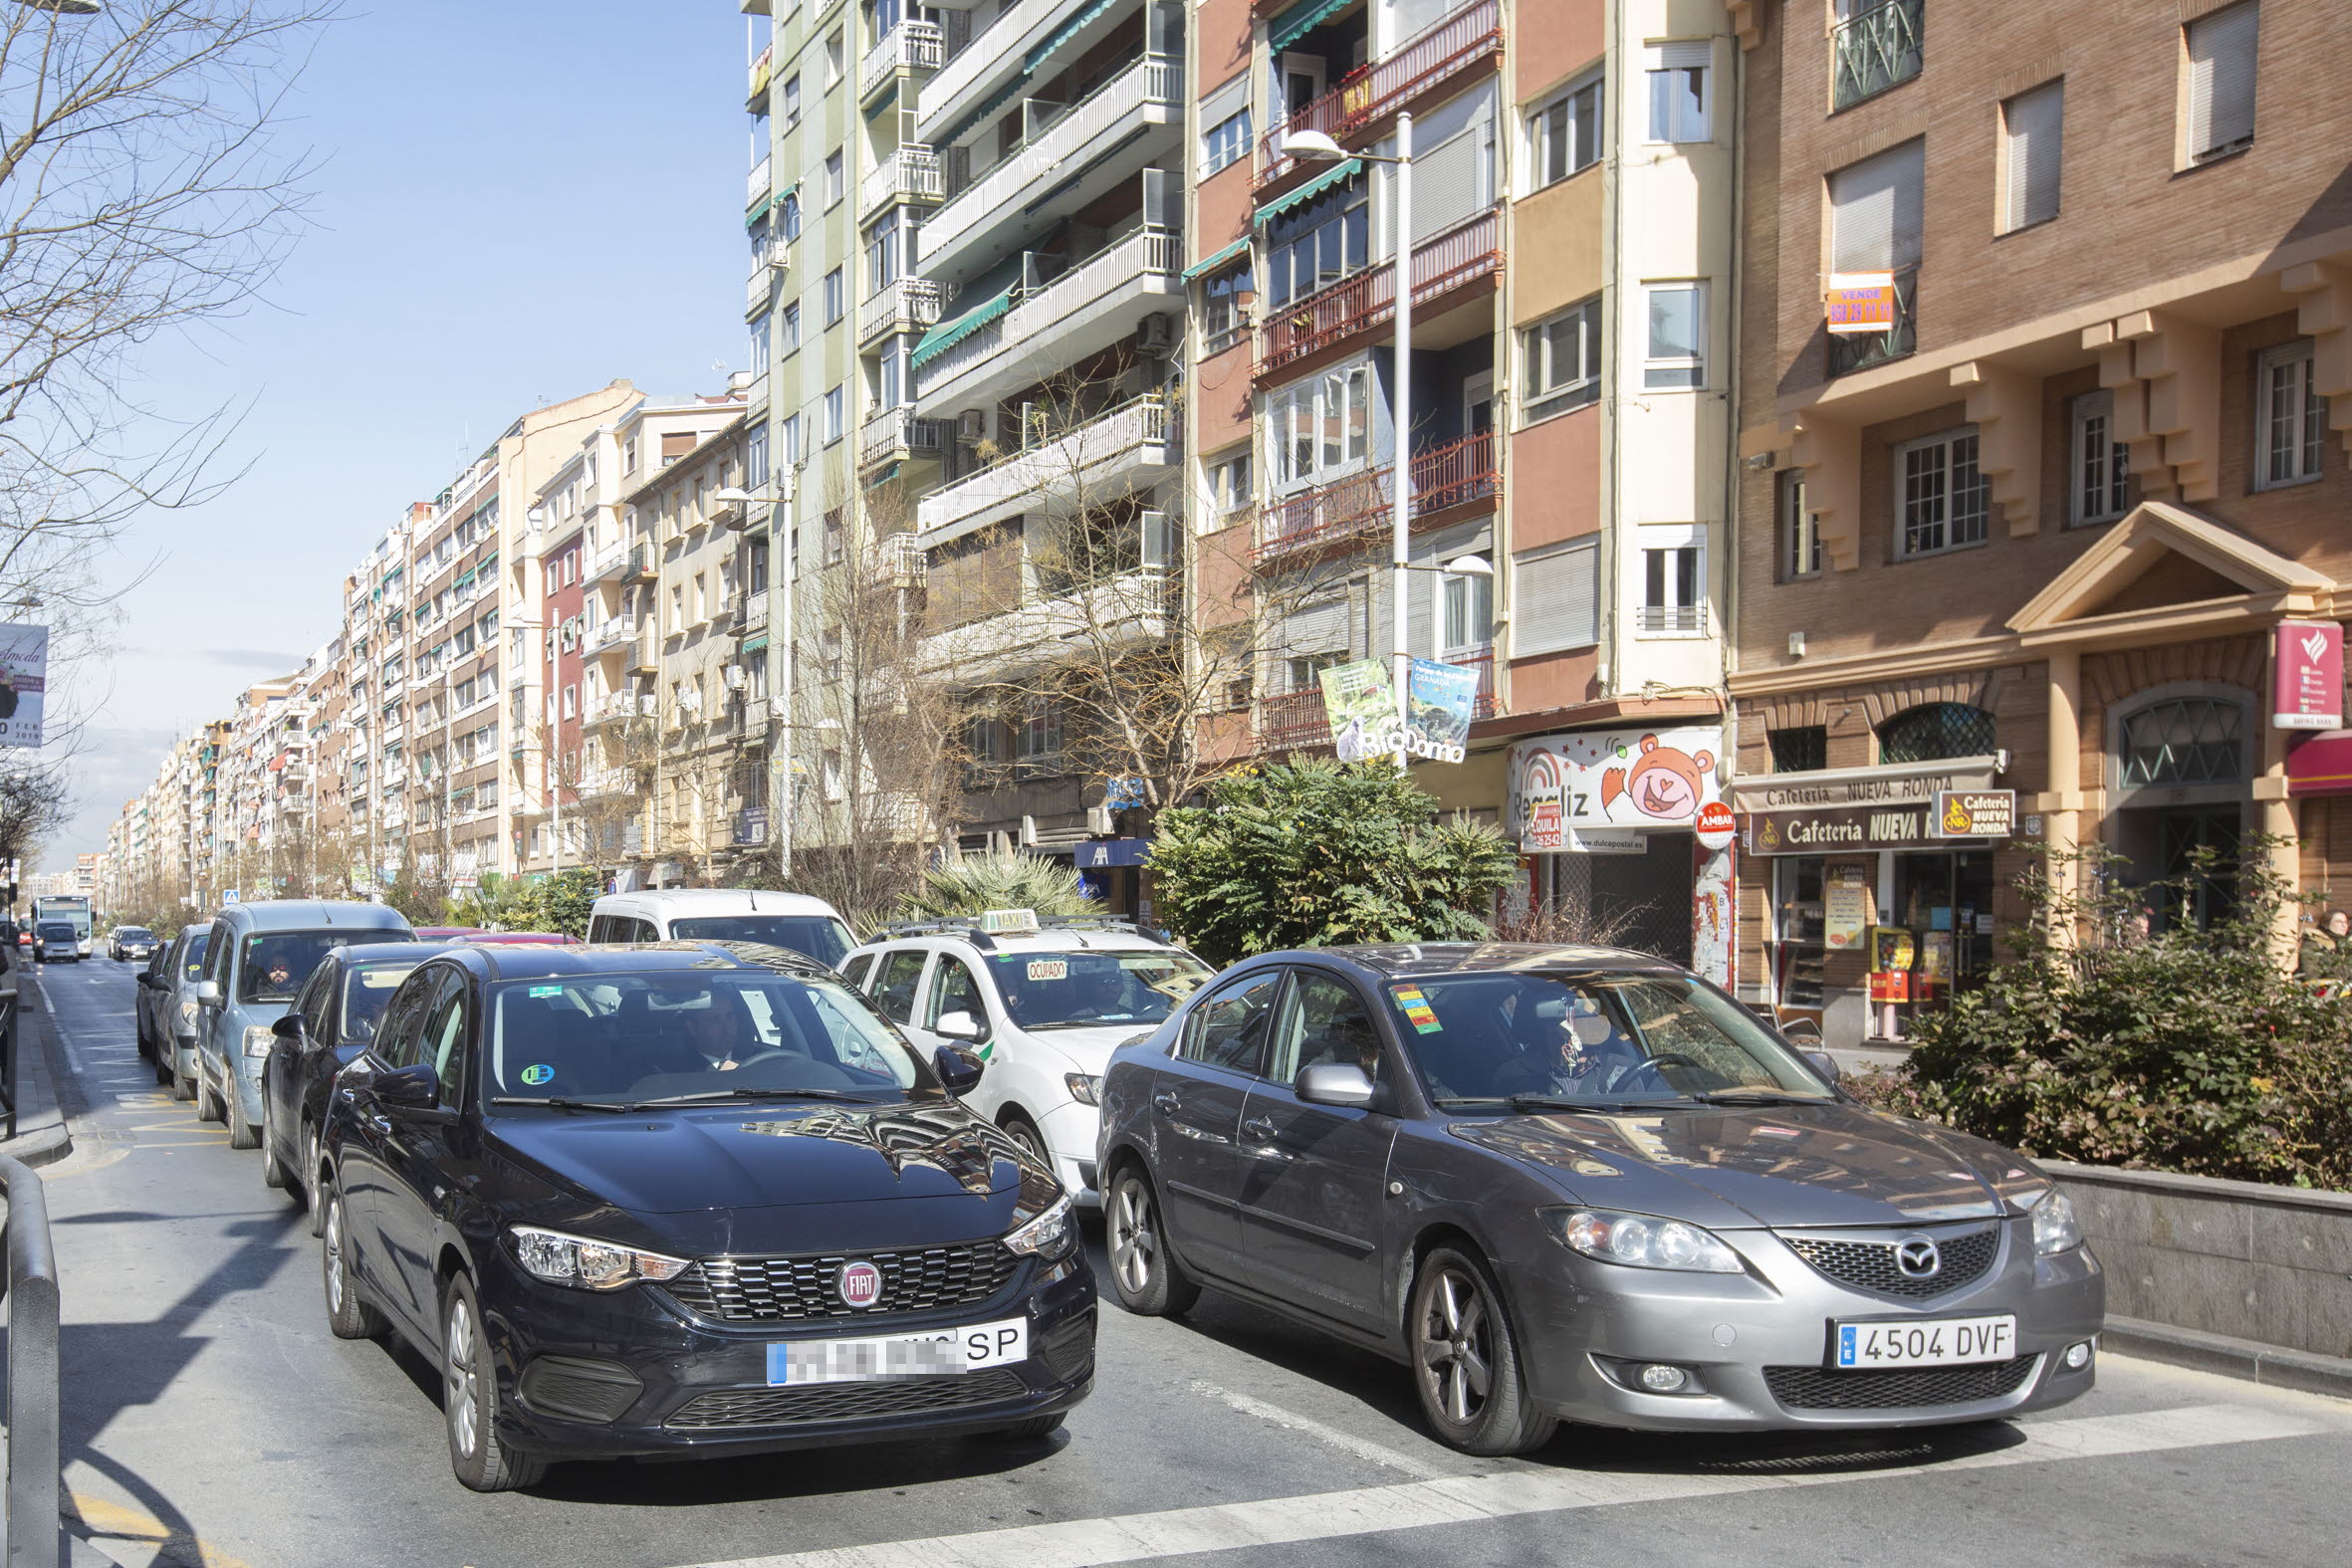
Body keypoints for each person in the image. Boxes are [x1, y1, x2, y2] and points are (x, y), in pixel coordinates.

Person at [2297, 909, 2351, 982]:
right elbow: (2309, 974)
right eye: (2338, 922)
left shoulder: (2348, 945)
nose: (2343, 925)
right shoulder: (2314, 942)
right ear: (2326, 924)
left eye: (2345, 922)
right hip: (2323, 988)